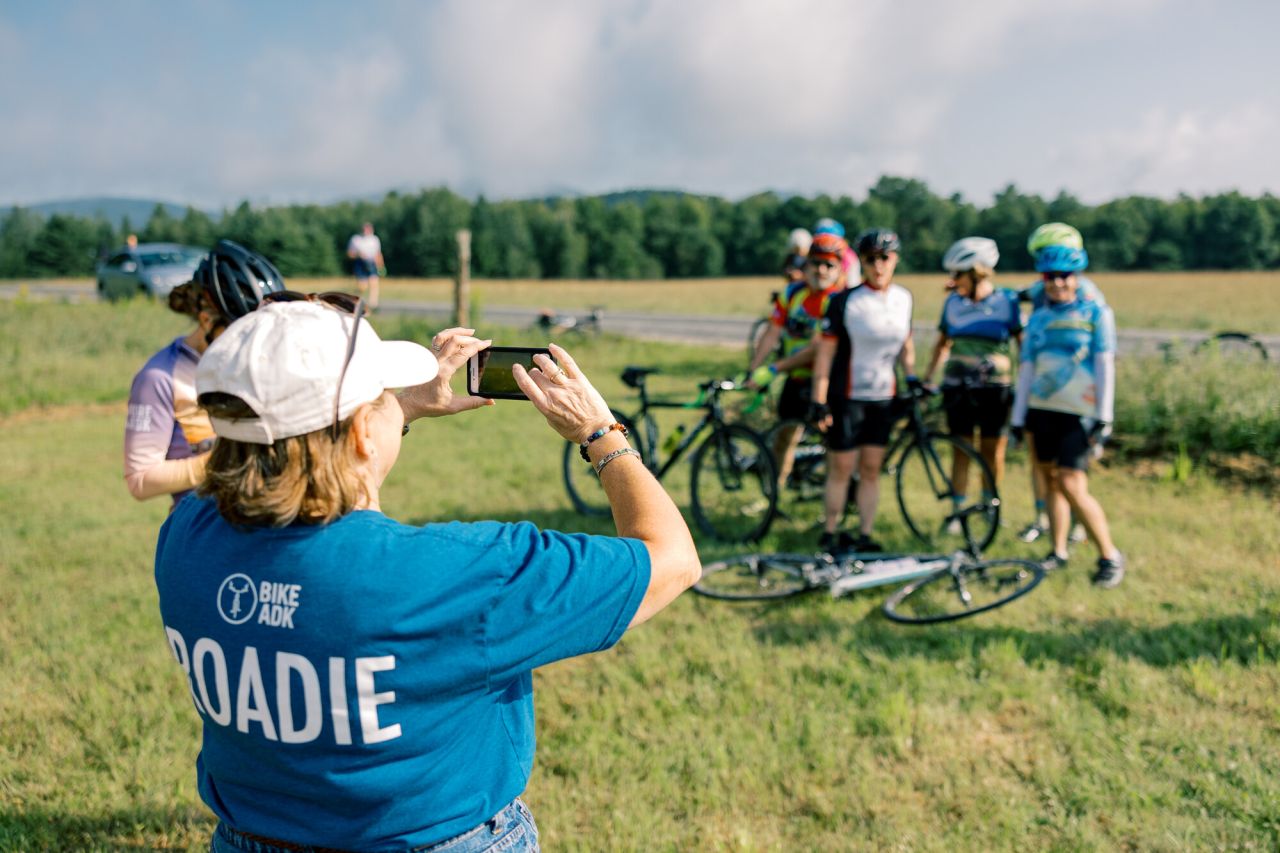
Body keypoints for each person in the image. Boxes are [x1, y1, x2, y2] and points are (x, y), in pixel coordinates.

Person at [154, 299, 701, 851]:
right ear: (364, 433)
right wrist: (601, 433)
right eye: (382, 398)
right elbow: (672, 559)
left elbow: (289, 460)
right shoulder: (457, 574)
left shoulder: (186, 537)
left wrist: (404, 404)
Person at [124, 240, 284, 507]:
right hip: (202, 528)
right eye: (243, 331)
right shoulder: (159, 377)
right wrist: (231, 458)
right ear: (207, 318)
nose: (255, 343)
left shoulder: (264, 363)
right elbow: (140, 480)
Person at [1010, 243, 1125, 587]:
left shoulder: (1096, 314)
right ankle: (1057, 550)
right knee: (1050, 482)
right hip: (1041, 410)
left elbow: (1105, 365)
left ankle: (1109, 555)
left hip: (1078, 413)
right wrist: (1017, 417)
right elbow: (1027, 368)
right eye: (1050, 277)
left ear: (1077, 278)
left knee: (1073, 484)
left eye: (1065, 276)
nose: (1058, 283)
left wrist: (1104, 417)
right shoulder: (1040, 318)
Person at [810, 228, 916, 553]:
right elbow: (825, 354)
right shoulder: (845, 301)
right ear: (862, 262)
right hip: (848, 397)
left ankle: (865, 533)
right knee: (841, 469)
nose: (878, 265)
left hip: (883, 398)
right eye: (871, 259)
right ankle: (830, 530)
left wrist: (911, 378)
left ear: (895, 260)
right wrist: (819, 399)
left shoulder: (903, 299)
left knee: (871, 470)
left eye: (885, 258)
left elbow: (905, 344)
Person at [1015, 222, 1105, 544]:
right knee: (1044, 465)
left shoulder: (1087, 295)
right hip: (1042, 391)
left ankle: (1076, 524)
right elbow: (1019, 295)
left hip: (1072, 394)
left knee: (1069, 473)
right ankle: (1047, 520)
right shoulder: (1043, 287)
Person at [922, 238, 1022, 521]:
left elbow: (1022, 344)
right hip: (958, 389)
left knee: (992, 451)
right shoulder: (952, 303)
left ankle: (989, 506)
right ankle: (958, 511)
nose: (953, 281)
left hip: (995, 390)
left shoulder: (1007, 302)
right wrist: (929, 378)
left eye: (958, 275)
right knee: (960, 449)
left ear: (977, 273)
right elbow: (942, 344)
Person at [747, 231, 850, 493]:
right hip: (796, 378)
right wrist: (753, 368)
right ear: (806, 264)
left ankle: (830, 501)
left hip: (825, 382)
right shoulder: (793, 293)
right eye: (816, 263)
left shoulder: (839, 300)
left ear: (839, 269)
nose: (822, 270)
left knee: (832, 445)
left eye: (830, 265)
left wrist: (774, 368)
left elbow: (818, 349)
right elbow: (772, 332)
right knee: (784, 438)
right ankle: (774, 497)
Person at [346, 221, 385, 310]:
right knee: (362, 287)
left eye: (368, 229)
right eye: (365, 229)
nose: (366, 231)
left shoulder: (375, 239)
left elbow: (378, 253)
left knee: (374, 283)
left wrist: (381, 265)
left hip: (371, 262)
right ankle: (354, 300)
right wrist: (358, 255)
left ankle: (373, 305)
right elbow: (349, 254)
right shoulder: (356, 239)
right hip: (360, 263)